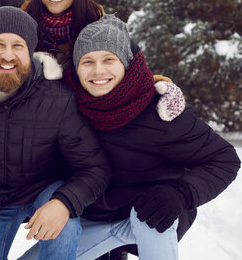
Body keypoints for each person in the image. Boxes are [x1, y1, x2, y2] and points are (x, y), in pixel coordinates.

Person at [62, 15, 240, 259]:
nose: (98, 70)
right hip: (91, 219)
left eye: (109, 59)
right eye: (87, 61)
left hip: (150, 216)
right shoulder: (69, 108)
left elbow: (224, 159)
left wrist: (180, 193)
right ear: (76, 68)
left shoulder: (160, 111)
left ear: (125, 63)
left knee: (150, 222)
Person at [0, 6, 112, 260]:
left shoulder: (57, 98)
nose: (8, 55)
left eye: (18, 45)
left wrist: (64, 202)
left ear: (30, 51)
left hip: (46, 187)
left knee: (65, 227)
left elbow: (96, 168)